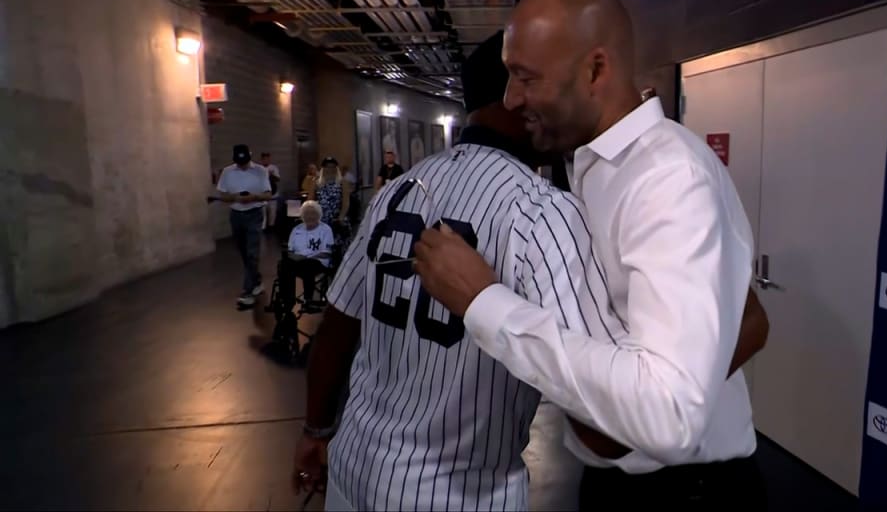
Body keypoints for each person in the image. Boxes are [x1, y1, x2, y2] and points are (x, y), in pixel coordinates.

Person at [291, 32, 766, 511]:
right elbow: (606, 434)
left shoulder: (401, 189)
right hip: (457, 493)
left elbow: (335, 328)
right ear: (515, 96)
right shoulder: (542, 210)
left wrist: (316, 429)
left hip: (357, 469)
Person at [413, 0, 765, 509]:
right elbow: (749, 318)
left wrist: (485, 302)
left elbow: (668, 413)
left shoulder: (667, 178)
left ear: (595, 70)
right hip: (619, 480)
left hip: (683, 492)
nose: (510, 99)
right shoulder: (591, 165)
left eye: (524, 78)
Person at [217, 144, 272, 307]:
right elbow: (223, 195)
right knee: (243, 251)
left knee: (252, 252)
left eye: (245, 162)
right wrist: (234, 197)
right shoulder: (227, 172)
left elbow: (268, 195)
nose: (242, 165)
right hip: (236, 215)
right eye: (239, 163)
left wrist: (254, 197)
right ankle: (256, 281)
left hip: (254, 214)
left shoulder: (261, 171)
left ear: (250, 156)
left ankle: (247, 292)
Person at [277, 201, 334, 313]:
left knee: (308, 265)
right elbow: (289, 251)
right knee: (283, 264)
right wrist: (296, 257)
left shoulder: (325, 229)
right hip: (297, 261)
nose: (310, 216)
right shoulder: (297, 229)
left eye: (313, 213)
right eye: (306, 214)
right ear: (302, 216)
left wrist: (308, 257)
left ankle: (308, 301)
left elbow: (327, 252)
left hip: (318, 261)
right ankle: (288, 300)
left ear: (319, 215)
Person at [316, 157, 344, 229]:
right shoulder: (316, 183)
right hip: (320, 219)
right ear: (323, 169)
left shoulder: (342, 182)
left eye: (332, 167)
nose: (330, 169)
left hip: (337, 219)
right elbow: (310, 201)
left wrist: (341, 216)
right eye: (327, 167)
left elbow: (346, 202)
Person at [260, 152, 282, 231]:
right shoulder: (259, 168)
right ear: (262, 160)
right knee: (262, 212)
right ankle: (263, 228)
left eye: (268, 159)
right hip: (262, 193)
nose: (266, 161)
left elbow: (278, 179)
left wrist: (270, 175)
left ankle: (271, 226)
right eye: (265, 159)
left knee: (272, 212)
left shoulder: (273, 168)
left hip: (273, 193)